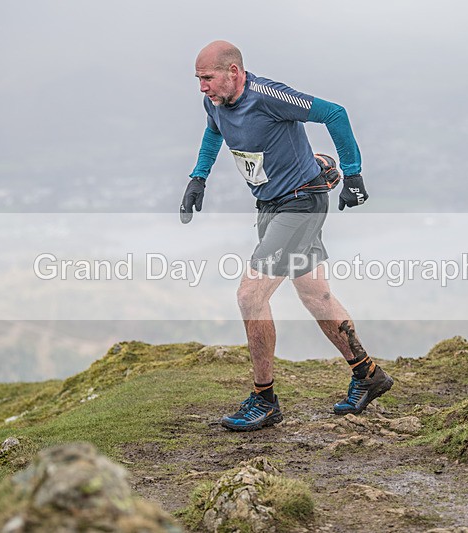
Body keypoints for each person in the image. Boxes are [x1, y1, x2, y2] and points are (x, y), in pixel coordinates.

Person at [181, 40, 393, 431]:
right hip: (271, 205)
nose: (202, 87)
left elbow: (334, 113)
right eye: (198, 79)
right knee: (316, 294)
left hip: (301, 203)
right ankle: (368, 374)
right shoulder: (215, 103)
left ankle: (265, 400)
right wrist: (198, 178)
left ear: (234, 72)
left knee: (250, 294)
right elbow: (213, 133)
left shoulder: (267, 96)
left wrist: (353, 172)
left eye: (207, 78)